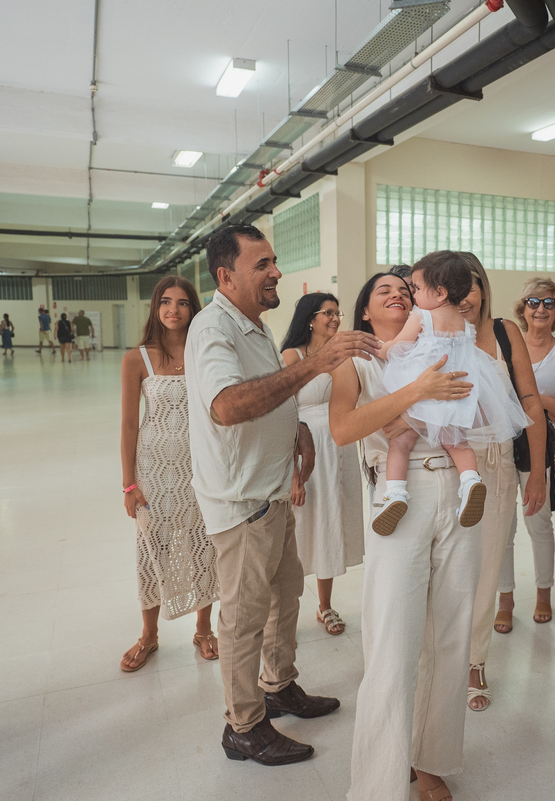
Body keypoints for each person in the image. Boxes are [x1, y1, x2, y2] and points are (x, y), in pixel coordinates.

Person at [184, 224, 379, 766]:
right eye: (262, 264)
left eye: (274, 261)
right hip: (241, 500)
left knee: (284, 596)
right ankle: (243, 726)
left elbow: (265, 394)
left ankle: (279, 685)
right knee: (244, 618)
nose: (276, 272)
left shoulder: (254, 327)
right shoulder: (212, 329)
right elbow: (226, 405)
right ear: (226, 276)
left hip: (271, 489)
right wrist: (316, 363)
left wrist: (295, 429)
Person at [328, 270, 478, 801]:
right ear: (365, 312)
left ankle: (431, 760)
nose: (397, 295)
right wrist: (415, 394)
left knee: (451, 635)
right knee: (393, 642)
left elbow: (478, 404)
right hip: (399, 495)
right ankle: (377, 784)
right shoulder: (357, 361)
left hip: (459, 489)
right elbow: (344, 429)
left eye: (404, 289)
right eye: (382, 291)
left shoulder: (444, 342)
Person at [376, 255, 529, 536]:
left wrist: (380, 348)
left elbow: (400, 346)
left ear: (440, 292)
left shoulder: (421, 316)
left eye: (418, 288)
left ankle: (395, 494)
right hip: (459, 393)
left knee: (400, 441)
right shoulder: (463, 323)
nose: (414, 294)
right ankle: (470, 480)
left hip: (427, 390)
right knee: (458, 443)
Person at [456, 255, 547, 712]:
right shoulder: (433, 331)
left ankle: (474, 661)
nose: (466, 295)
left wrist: (537, 473)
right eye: (456, 287)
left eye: (472, 285)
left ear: (483, 288)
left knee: (487, 562)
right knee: (447, 566)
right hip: (446, 463)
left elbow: (529, 399)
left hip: (497, 463)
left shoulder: (506, 332)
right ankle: (439, 656)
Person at [119, 276, 220, 671]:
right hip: (155, 469)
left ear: (194, 310)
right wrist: (129, 483)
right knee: (151, 550)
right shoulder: (137, 358)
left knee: (204, 546)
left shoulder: (205, 354)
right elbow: (129, 425)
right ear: (155, 308)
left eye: (182, 303)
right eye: (165, 301)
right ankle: (150, 635)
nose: (173, 309)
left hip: (202, 467)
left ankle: (203, 628)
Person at [495, 278, 555, 633]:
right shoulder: (506, 349)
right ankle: (505, 598)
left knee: (539, 522)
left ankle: (543, 593)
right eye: (533, 303)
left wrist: (526, 394)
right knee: (502, 524)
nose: (540, 309)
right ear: (523, 309)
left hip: (546, 448)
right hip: (503, 444)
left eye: (548, 304)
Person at [280, 293, 364, 636]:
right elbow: (283, 414)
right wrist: (294, 476)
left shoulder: (343, 355)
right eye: (327, 313)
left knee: (330, 525)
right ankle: (287, 610)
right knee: (300, 531)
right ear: (310, 319)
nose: (335, 318)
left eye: (337, 312)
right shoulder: (291, 356)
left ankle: (325, 606)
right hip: (305, 452)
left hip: (339, 450)